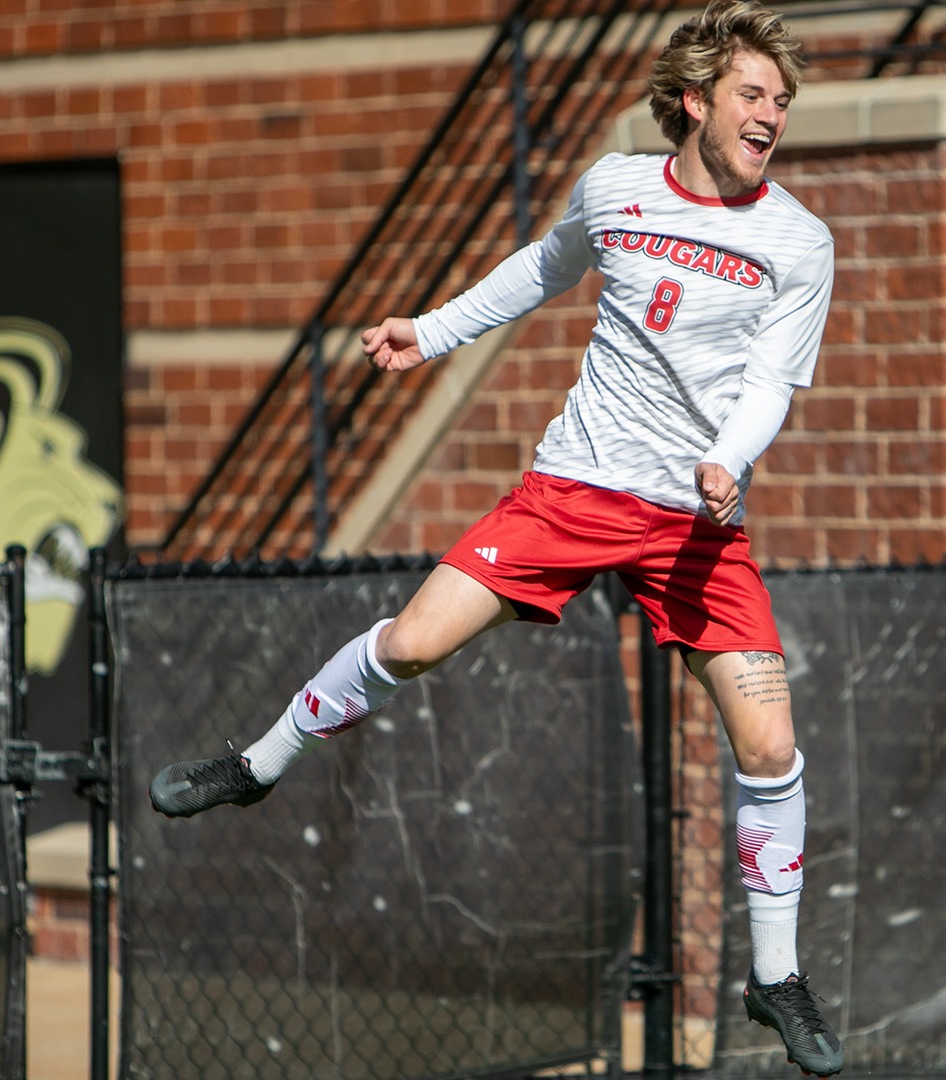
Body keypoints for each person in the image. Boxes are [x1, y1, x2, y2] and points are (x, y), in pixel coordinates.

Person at [148, 2, 843, 1073]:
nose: (771, 114)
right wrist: (427, 332)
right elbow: (541, 268)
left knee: (769, 747)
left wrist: (730, 456)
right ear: (696, 101)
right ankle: (256, 763)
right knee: (414, 642)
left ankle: (775, 976)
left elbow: (771, 385)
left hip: (694, 524)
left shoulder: (799, 240)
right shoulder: (613, 187)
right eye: (752, 93)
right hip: (573, 491)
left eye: (783, 100)